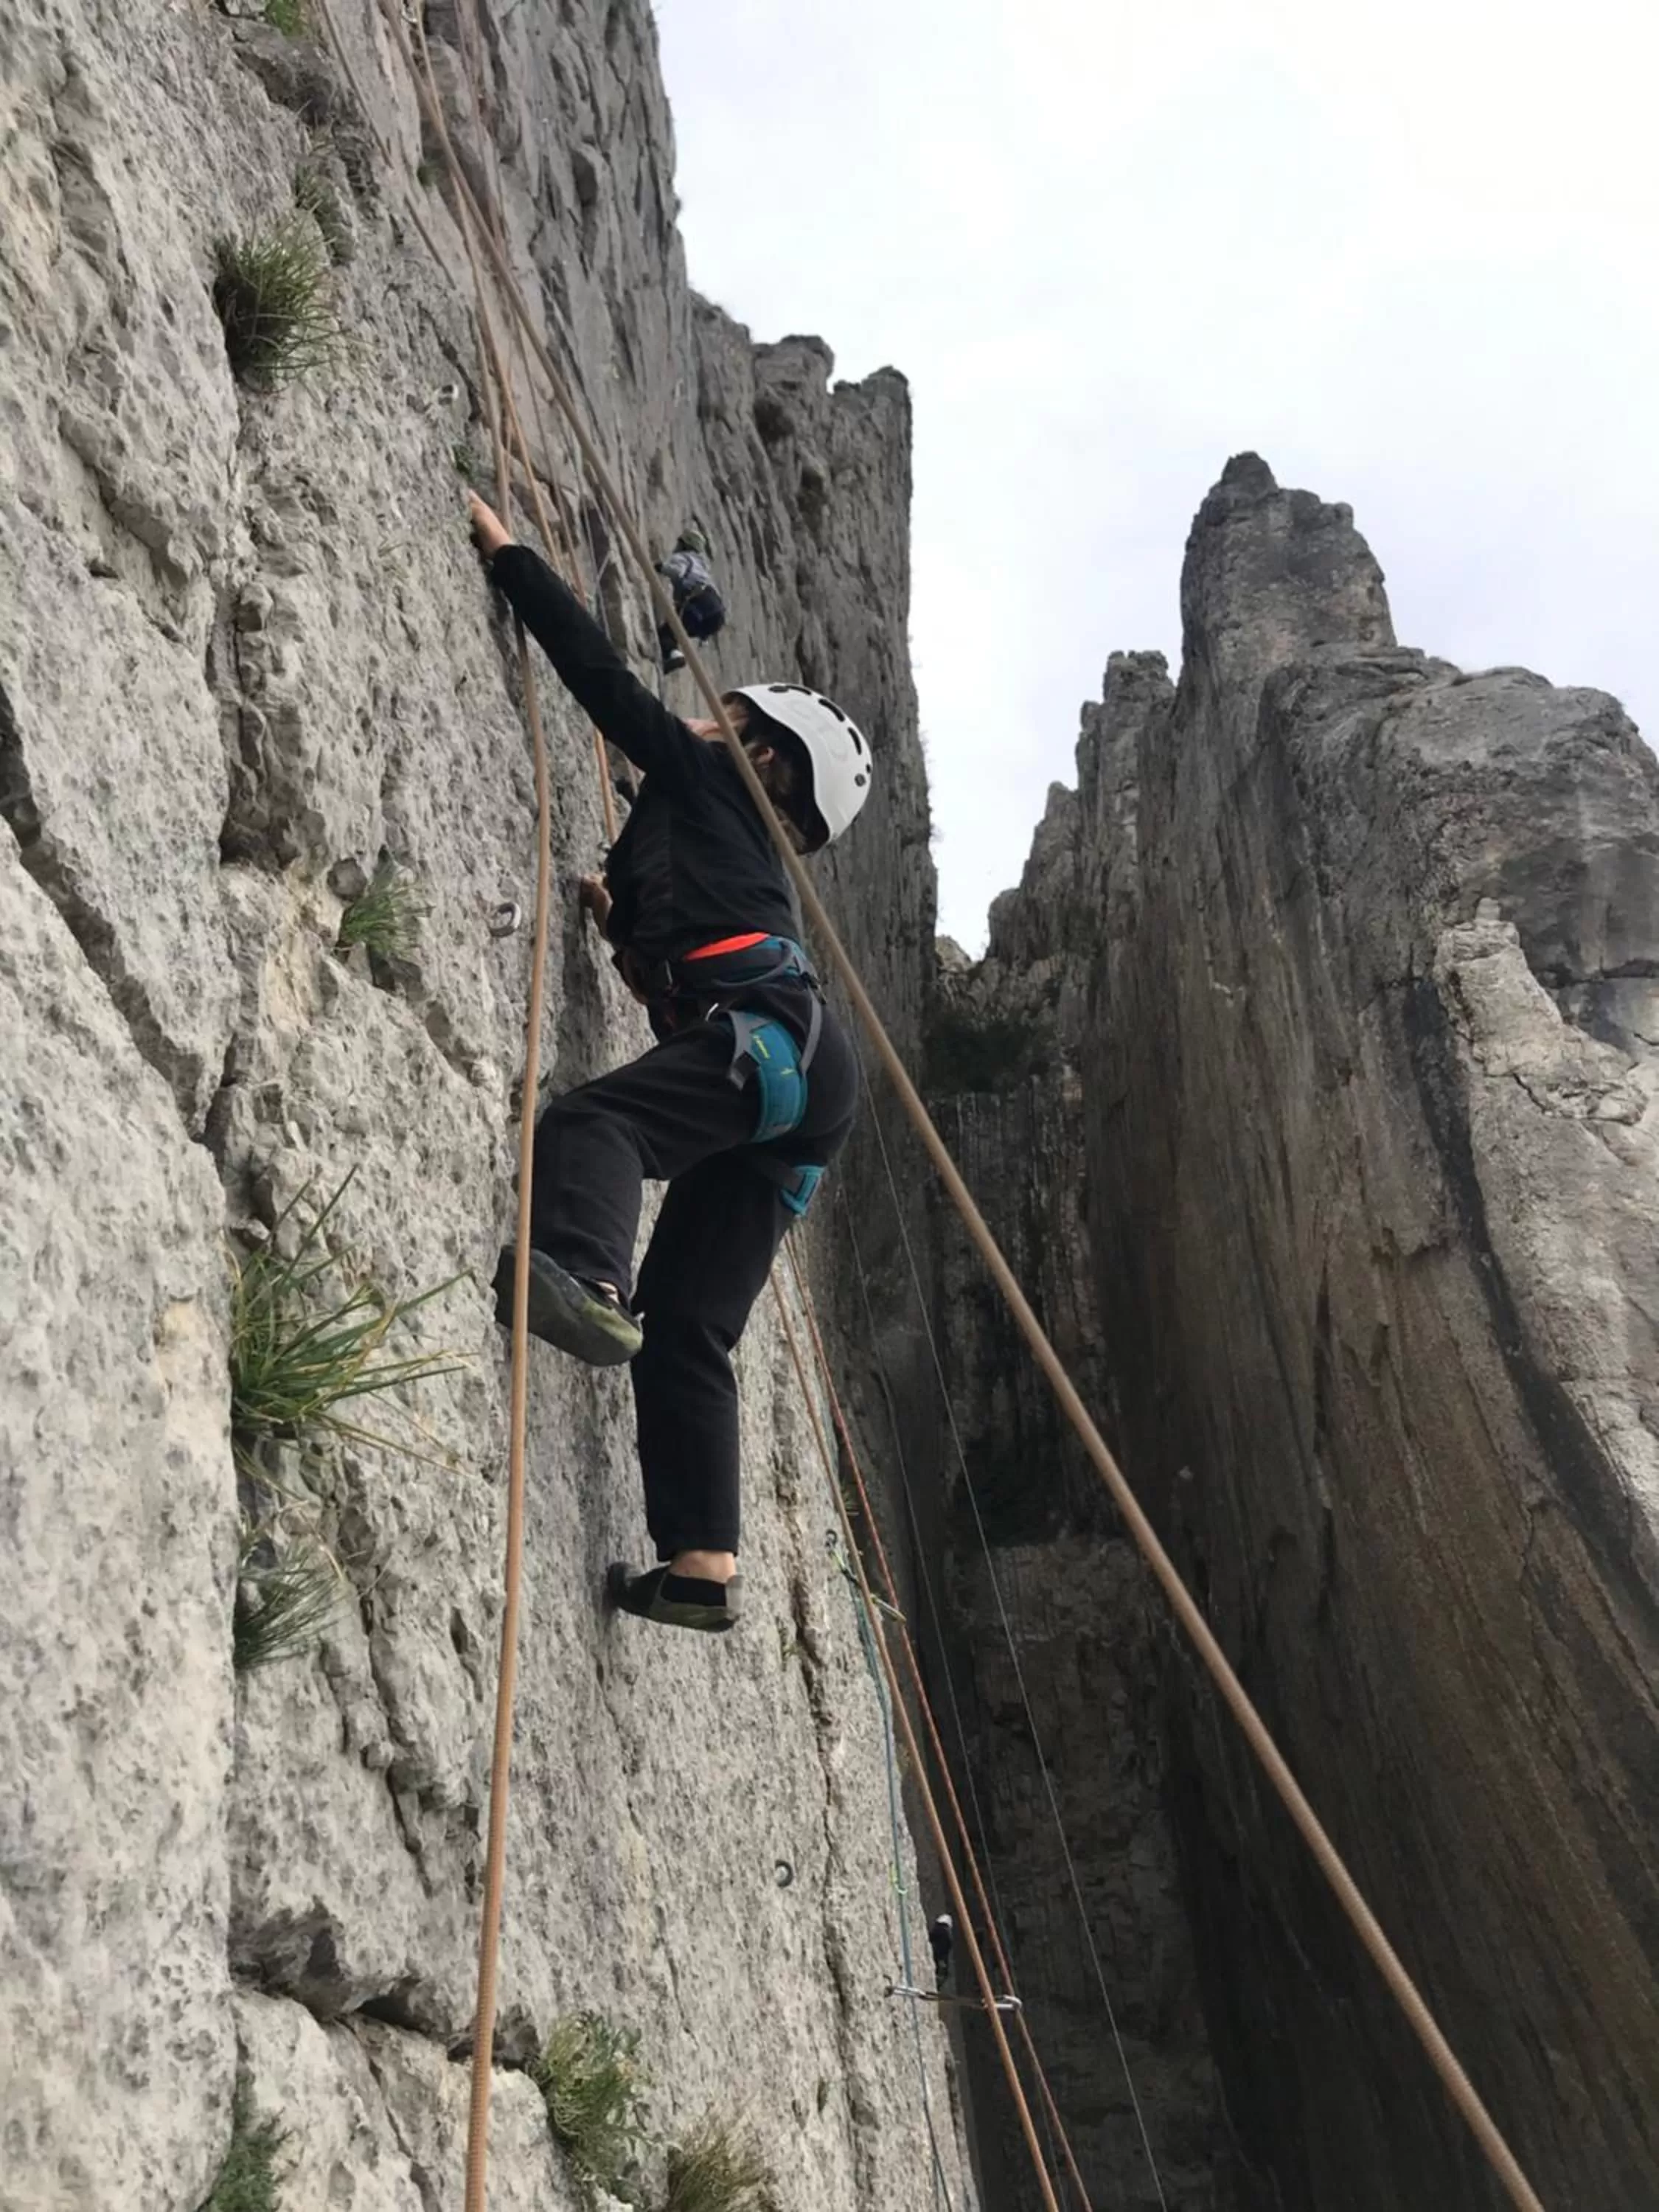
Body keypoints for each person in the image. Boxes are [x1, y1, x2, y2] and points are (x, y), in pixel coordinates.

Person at [467, 491, 874, 1635]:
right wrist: (620, 927)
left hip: (778, 1044)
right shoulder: (723, 848)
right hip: (802, 1081)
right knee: (691, 1325)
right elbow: (692, 982)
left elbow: (605, 686)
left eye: (726, 717)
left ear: (759, 756)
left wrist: (511, 559)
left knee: (594, 1127)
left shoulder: (705, 785)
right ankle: (701, 1566)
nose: (702, 722)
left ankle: (585, 1278)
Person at [655, 526, 726, 672]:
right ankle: (670, 656)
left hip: (700, 603)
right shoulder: (702, 566)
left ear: (684, 544)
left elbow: (678, 572)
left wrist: (661, 567)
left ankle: (673, 655)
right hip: (716, 614)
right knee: (676, 632)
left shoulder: (684, 556)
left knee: (667, 632)